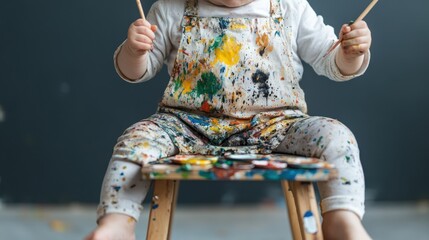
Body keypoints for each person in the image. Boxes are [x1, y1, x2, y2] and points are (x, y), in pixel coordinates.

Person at [85, 0, 373, 239]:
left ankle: (341, 218)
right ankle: (118, 222)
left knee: (338, 135)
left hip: (275, 125)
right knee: (136, 137)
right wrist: (134, 51)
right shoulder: (171, 8)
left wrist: (351, 53)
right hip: (186, 125)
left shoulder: (289, 7)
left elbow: (332, 62)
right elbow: (137, 72)